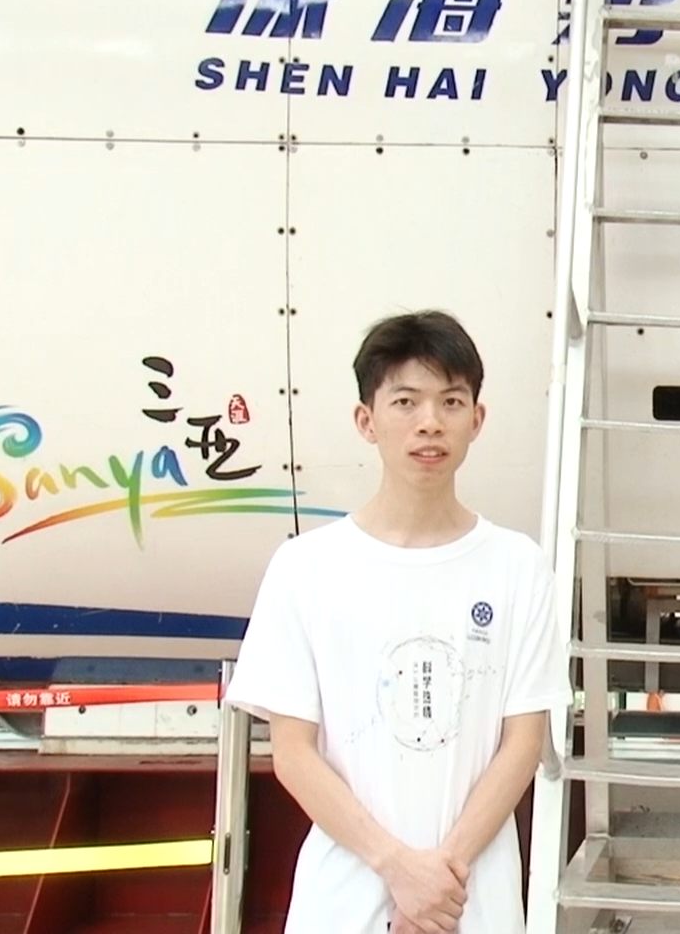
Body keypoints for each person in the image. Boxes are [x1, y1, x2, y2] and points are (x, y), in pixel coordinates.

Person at [224, 310, 566, 934]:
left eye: (451, 401)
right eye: (405, 401)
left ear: (476, 419)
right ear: (366, 420)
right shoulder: (306, 567)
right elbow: (293, 753)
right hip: (343, 902)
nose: (429, 422)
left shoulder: (518, 566)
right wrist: (398, 868)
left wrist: (438, 882)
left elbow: (522, 745)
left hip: (469, 905)